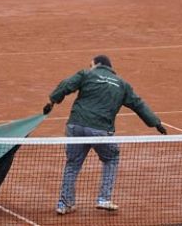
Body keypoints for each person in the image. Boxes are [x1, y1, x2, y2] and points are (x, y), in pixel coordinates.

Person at [43, 55, 167, 215]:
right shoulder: (122, 84)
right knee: (111, 158)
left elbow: (65, 86)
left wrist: (52, 101)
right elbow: (138, 104)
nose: (90, 66)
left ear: (97, 64)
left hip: (76, 126)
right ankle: (104, 198)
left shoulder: (86, 74)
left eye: (91, 64)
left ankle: (64, 204)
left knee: (72, 164)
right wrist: (156, 123)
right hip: (100, 130)